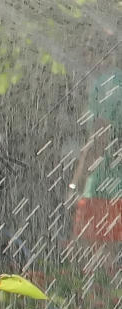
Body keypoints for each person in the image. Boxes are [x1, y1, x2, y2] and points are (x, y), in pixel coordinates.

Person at [72, 66, 122, 263]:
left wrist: (76, 182)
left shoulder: (108, 84)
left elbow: (99, 140)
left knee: (98, 266)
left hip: (105, 193)